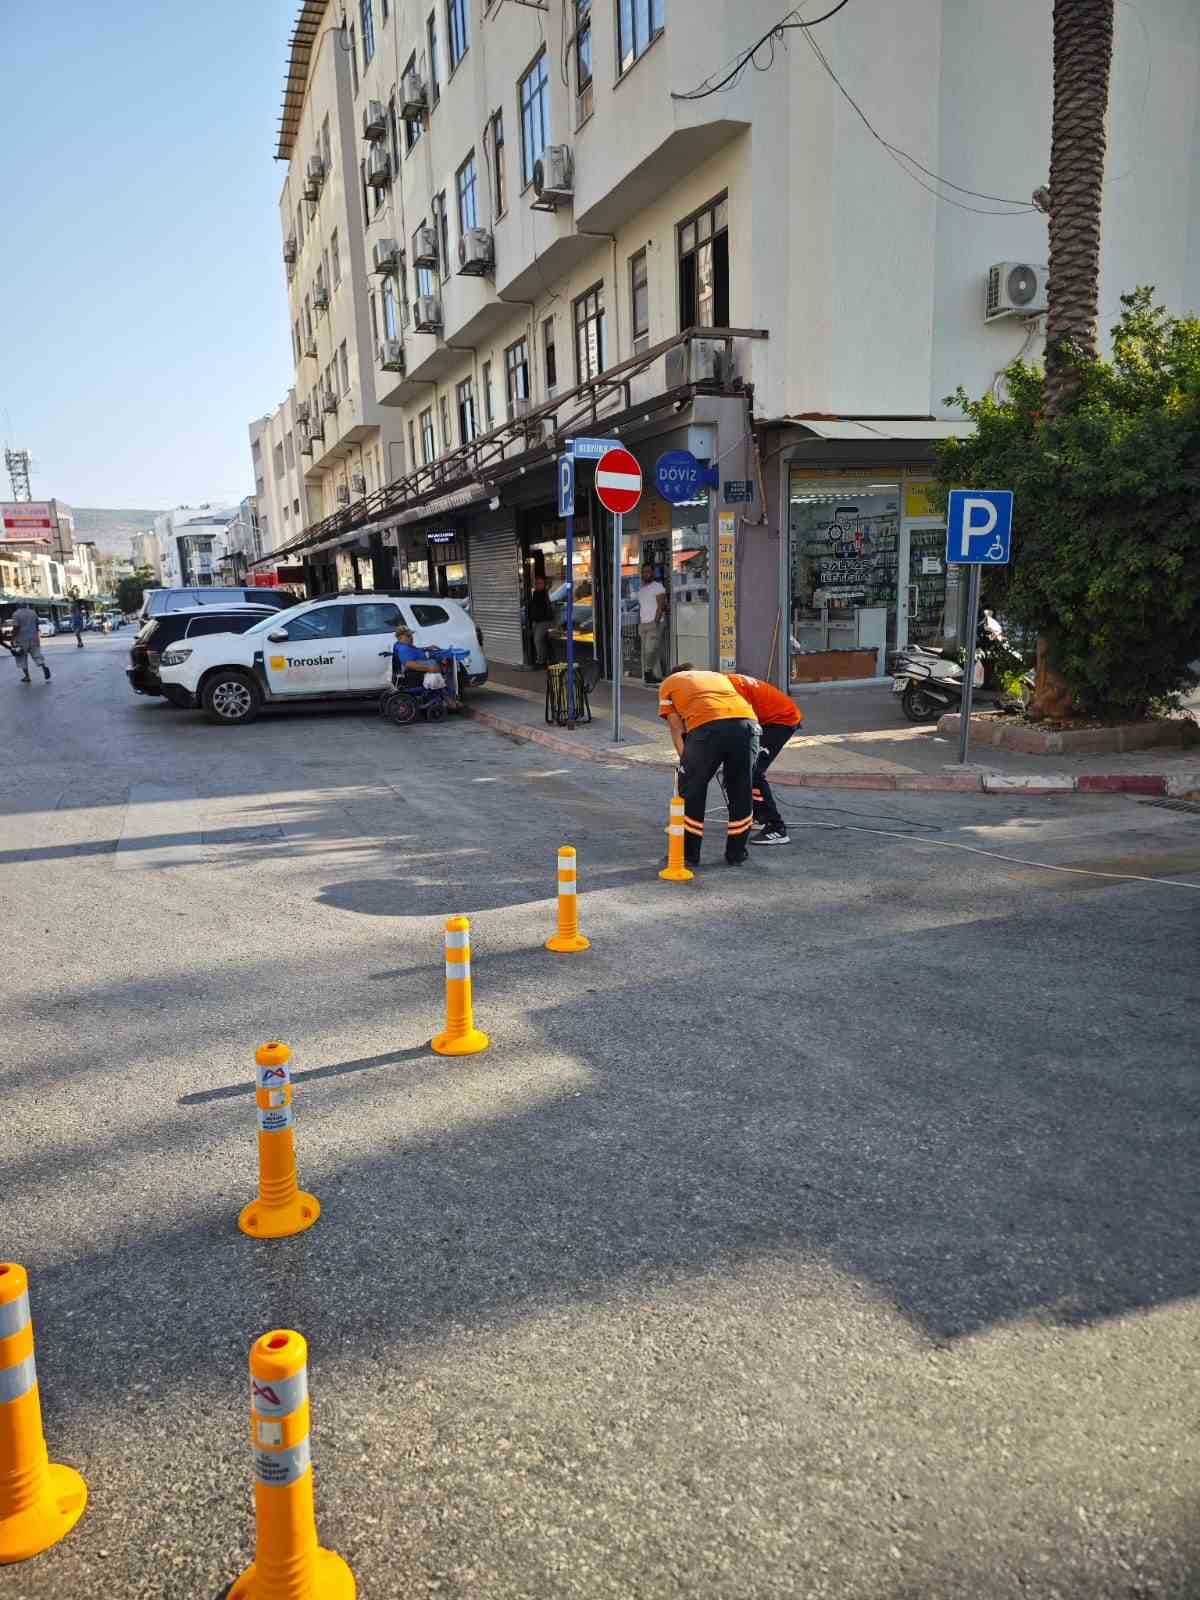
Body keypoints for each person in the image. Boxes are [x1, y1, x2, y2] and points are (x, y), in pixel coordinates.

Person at [658, 669, 757, 866]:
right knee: (740, 790)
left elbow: (676, 728)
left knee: (692, 791)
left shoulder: (668, 683)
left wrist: (686, 762)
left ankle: (689, 854)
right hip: (747, 724)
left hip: (707, 727)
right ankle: (736, 853)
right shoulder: (717, 677)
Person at [726, 674, 803, 846]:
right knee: (739, 766)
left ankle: (776, 827)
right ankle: (753, 814)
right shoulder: (722, 683)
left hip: (781, 720)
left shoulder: (729, 690)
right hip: (766, 718)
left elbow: (743, 723)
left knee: (753, 771)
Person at [392, 624, 455, 704]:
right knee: (447, 665)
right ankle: (450, 699)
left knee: (443, 659)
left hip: (423, 664)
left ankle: (449, 697)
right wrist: (430, 669)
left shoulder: (402, 645)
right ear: (401, 637)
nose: (411, 637)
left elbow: (414, 651)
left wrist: (427, 648)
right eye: (408, 636)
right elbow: (409, 664)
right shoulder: (404, 649)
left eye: (411, 635)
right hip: (417, 674)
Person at [638, 562, 668, 685]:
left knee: (650, 650)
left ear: (653, 573)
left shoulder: (658, 587)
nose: (646, 574)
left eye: (649, 572)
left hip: (654, 624)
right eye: (644, 572)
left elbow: (661, 606)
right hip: (643, 624)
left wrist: (655, 622)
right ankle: (655, 677)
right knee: (648, 652)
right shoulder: (641, 590)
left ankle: (648, 672)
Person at [10, 604, 50, 684]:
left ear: (17, 605)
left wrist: (12, 638)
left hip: (21, 639)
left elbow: (16, 627)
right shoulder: (33, 613)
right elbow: (37, 625)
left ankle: (27, 676)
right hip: (33, 638)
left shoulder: (16, 614)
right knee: (37, 655)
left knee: (22, 658)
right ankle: (43, 666)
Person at [528, 576, 552, 667]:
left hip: (544, 621)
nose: (538, 585)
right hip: (536, 620)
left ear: (544, 584)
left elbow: (544, 607)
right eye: (537, 583)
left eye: (540, 583)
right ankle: (543, 658)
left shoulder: (544, 594)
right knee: (539, 640)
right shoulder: (535, 593)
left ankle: (541, 661)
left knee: (537, 639)